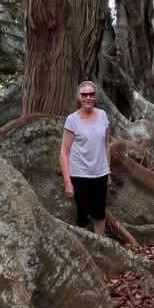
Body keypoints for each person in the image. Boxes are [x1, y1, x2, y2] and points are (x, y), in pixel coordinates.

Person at [59, 80, 111, 235]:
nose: (88, 97)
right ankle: (84, 248)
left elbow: (106, 145)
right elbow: (64, 152)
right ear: (79, 97)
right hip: (79, 174)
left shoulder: (102, 115)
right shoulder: (72, 120)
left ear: (95, 96)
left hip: (100, 174)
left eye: (91, 94)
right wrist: (68, 182)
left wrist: (108, 172)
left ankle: (101, 247)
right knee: (82, 214)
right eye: (84, 94)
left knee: (99, 214)